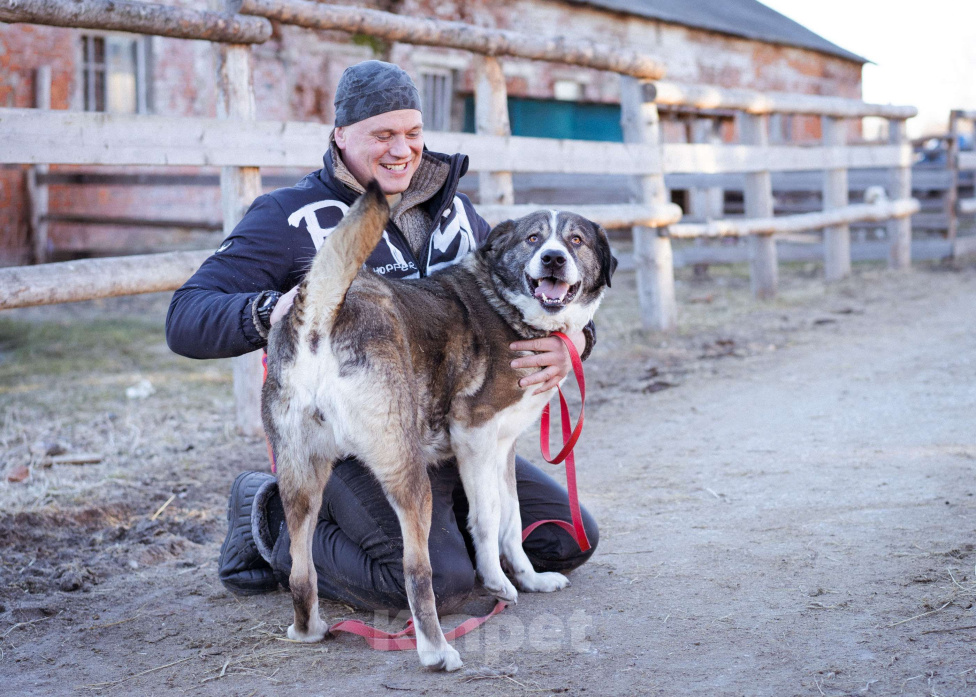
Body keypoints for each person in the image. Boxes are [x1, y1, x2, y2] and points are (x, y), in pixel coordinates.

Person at [166, 60, 599, 613]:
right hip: (349, 441)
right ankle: (268, 516)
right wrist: (275, 309)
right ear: (341, 136)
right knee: (438, 584)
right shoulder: (289, 217)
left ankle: (445, 537)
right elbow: (186, 316)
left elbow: (533, 283)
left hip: (449, 435)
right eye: (383, 135)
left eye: (413, 133)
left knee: (565, 538)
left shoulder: (454, 210)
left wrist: (576, 343)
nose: (402, 149)